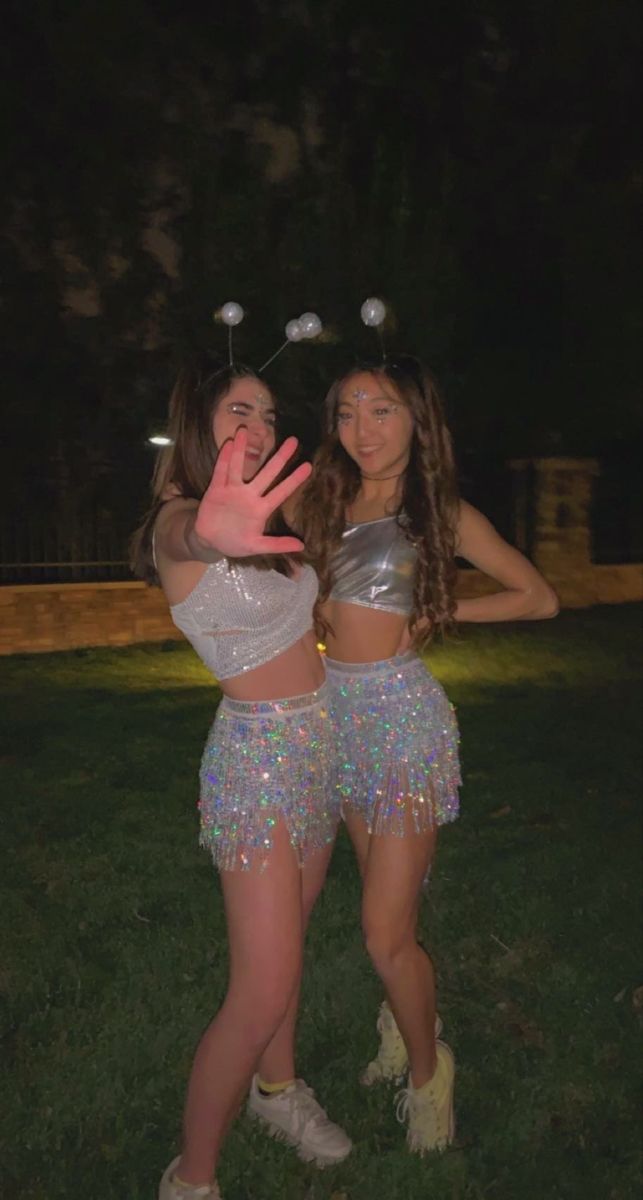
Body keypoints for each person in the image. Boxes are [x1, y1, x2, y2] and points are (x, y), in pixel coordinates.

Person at [294, 353, 558, 1156]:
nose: (361, 429)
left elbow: (537, 595)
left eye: (380, 410)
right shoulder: (322, 497)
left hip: (401, 724)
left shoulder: (434, 510)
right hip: (333, 715)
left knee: (382, 932)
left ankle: (426, 1072)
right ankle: (400, 1022)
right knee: (388, 911)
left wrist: (441, 614)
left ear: (416, 418)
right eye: (346, 411)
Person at [131, 352, 351, 1200]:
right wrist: (204, 530)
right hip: (256, 763)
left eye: (266, 414)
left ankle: (276, 1091)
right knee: (258, 988)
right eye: (238, 414)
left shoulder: (268, 524)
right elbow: (185, 537)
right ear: (198, 428)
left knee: (286, 959)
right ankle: (192, 1178)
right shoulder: (182, 521)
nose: (257, 429)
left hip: (317, 751)